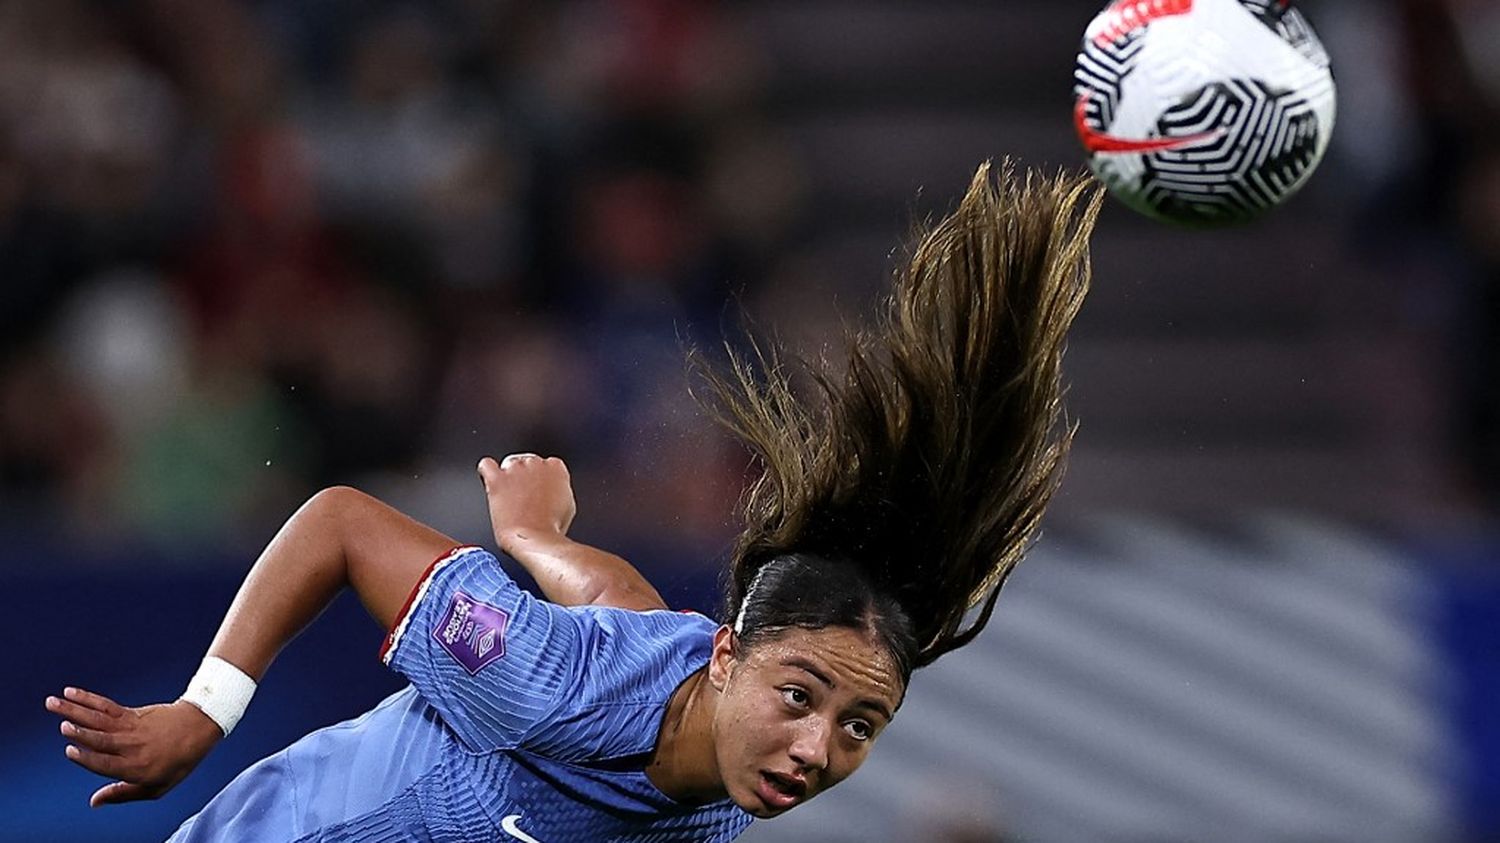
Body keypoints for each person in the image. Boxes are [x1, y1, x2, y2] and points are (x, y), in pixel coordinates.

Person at [45, 161, 1102, 841]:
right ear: (726, 658)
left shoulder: (720, 768)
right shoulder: (548, 680)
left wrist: (535, 537)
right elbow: (340, 523)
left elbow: (626, 600)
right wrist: (201, 714)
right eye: (802, 696)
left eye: (861, 724)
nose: (819, 748)